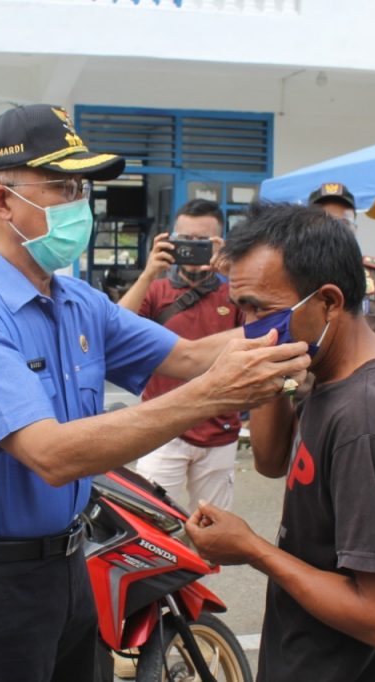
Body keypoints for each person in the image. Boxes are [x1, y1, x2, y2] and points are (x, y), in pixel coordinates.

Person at [0, 104, 311, 682]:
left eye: (83, 187)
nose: (82, 204)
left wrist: (300, 322)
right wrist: (208, 397)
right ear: (2, 201)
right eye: (62, 186)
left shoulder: (75, 300)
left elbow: (190, 357)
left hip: (71, 562)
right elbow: (51, 454)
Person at [185, 203, 375, 682]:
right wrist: (267, 367)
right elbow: (272, 460)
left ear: (329, 302)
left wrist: (253, 549)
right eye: (243, 309)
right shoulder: (328, 366)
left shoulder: (366, 418)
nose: (248, 326)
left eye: (263, 309)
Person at [118, 199, 244, 510]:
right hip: (162, 428)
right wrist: (148, 273)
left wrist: (232, 271)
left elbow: (263, 332)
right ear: (171, 239)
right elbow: (112, 327)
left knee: (214, 531)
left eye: (203, 242)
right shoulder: (156, 290)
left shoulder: (236, 293)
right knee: (154, 524)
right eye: (185, 240)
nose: (192, 250)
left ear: (219, 243)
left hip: (219, 430)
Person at [310, 182, 375, 345]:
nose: (335, 231)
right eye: (326, 222)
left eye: (344, 224)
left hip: (369, 368)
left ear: (355, 228)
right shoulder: (293, 275)